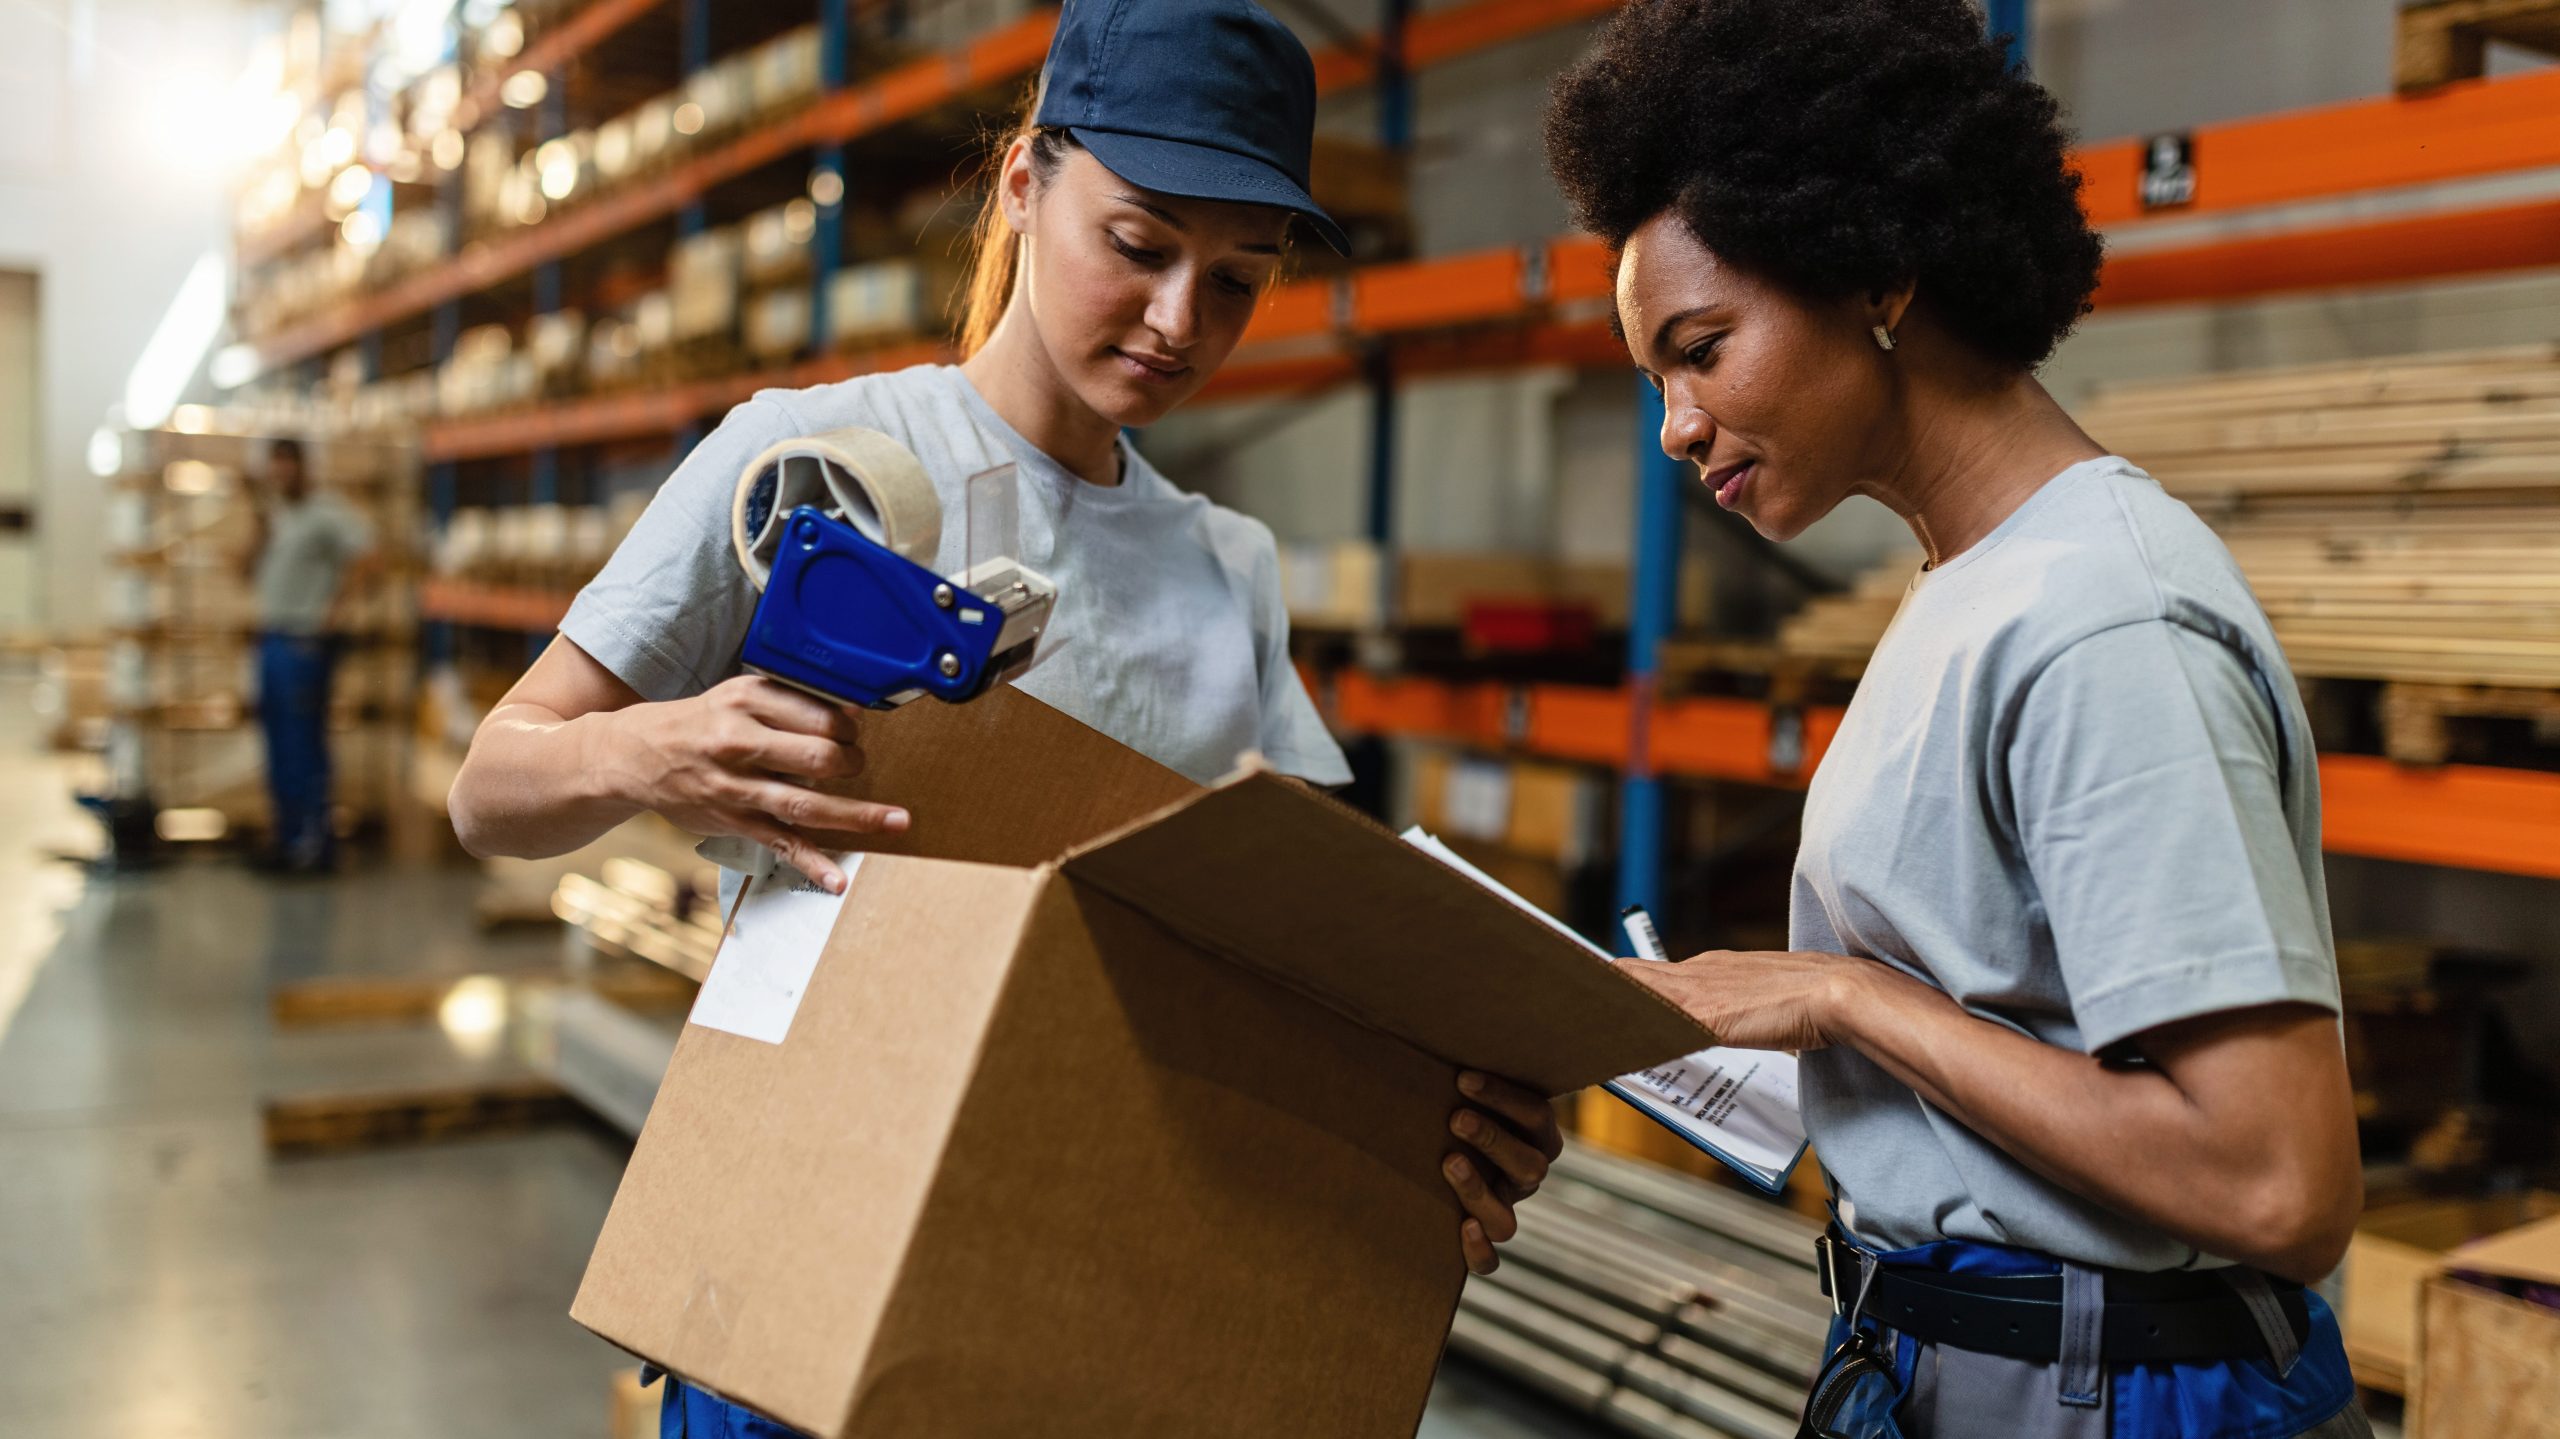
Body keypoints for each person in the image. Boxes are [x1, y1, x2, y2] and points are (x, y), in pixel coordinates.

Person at [445, 0, 1559, 1428]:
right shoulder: (817, 457)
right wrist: (654, 744)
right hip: (806, 1227)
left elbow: (1304, 949)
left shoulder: (1226, 570)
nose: (1178, 323)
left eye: (1236, 279)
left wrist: (1448, 1107)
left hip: (1094, 1253)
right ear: (1025, 183)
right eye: (1141, 247)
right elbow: (496, 784)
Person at [1535, 2, 2368, 1436]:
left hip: (2112, 1393)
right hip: (1965, 1361)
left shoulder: (2105, 619)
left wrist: (1845, 995)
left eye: (1702, 347)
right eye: (1653, 377)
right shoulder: (1970, 585)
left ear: (1877, 274)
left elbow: (2276, 1182)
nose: (1675, 423)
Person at [243, 437, 374, 873]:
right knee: (277, 742)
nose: (280, 474)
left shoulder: (327, 512)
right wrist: (256, 523)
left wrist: (332, 616)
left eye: (287, 465)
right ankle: (285, 834)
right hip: (272, 636)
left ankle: (313, 844)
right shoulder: (276, 516)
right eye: (274, 465)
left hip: (304, 640)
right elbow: (243, 569)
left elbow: (368, 556)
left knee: (303, 742)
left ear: (303, 467)